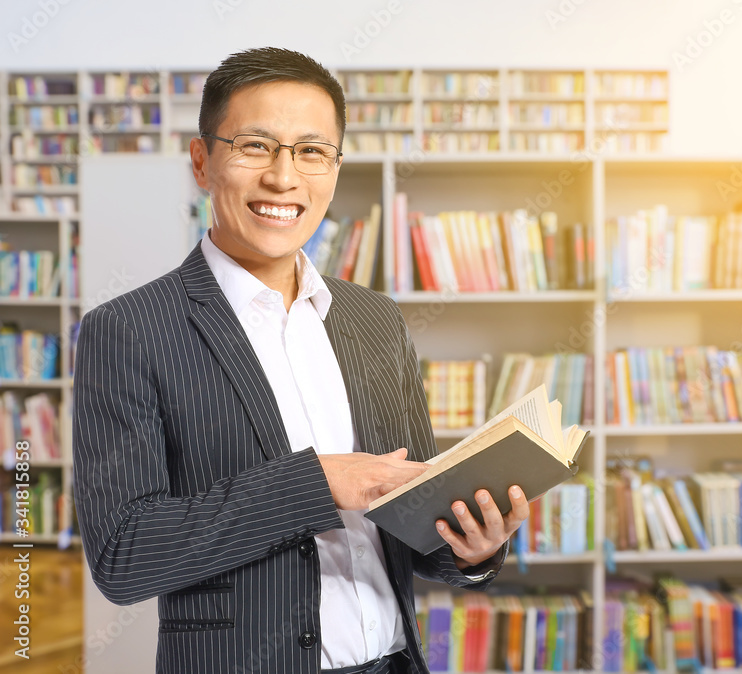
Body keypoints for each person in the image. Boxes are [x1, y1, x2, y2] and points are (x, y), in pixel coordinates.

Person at [72, 47, 529, 674]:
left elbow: (414, 525)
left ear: (335, 170)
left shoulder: (376, 319)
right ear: (203, 162)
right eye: (256, 146)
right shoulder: (127, 330)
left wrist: (471, 549)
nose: (284, 178)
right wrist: (315, 483)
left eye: (312, 151)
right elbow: (124, 558)